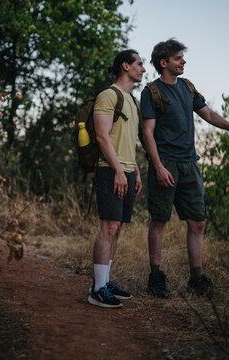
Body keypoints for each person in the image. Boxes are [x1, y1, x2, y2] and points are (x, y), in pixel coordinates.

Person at [139, 39, 229, 298]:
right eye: (178, 58)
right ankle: (156, 277)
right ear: (164, 63)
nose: (184, 61)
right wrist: (157, 166)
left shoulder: (188, 88)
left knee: (198, 222)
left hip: (190, 163)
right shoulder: (151, 92)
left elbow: (208, 114)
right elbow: (148, 132)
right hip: (165, 162)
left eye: (182, 58)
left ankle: (196, 279)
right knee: (159, 220)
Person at [88, 49, 145, 308]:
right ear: (125, 66)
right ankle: (97, 289)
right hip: (110, 169)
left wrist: (134, 170)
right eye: (139, 64)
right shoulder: (108, 95)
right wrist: (119, 171)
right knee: (109, 227)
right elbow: (102, 137)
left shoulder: (132, 101)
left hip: (126, 171)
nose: (143, 69)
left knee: (118, 227)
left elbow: (126, 141)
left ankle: (106, 280)